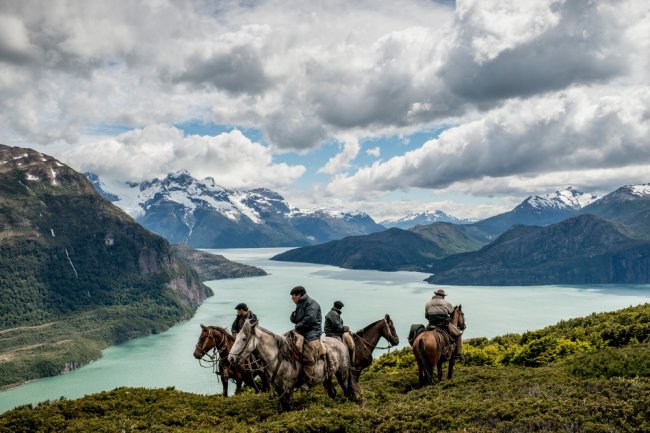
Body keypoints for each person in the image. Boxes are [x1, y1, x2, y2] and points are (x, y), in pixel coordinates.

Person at [289, 285, 323, 385]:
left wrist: (298, 326)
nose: (292, 298)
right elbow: (298, 319)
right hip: (301, 330)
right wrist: (293, 317)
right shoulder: (300, 304)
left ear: (299, 295)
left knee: (307, 356)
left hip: (312, 332)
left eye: (293, 295)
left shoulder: (312, 304)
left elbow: (310, 320)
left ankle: (308, 381)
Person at [425, 288, 463, 359]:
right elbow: (452, 313)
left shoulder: (428, 303)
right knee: (458, 334)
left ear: (435, 294)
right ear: (443, 296)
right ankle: (458, 353)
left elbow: (426, 316)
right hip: (444, 324)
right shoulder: (446, 303)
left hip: (431, 324)